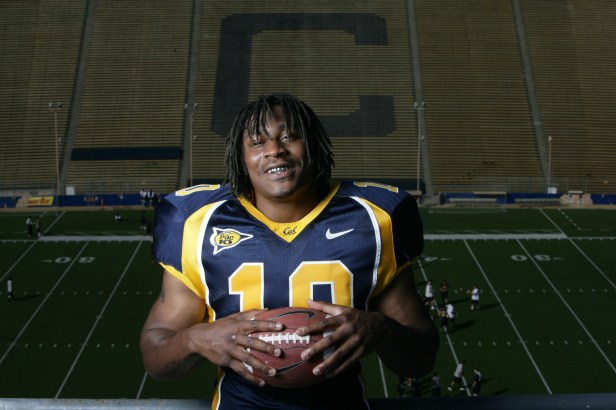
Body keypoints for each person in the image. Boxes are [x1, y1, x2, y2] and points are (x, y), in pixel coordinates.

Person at [140, 93, 439, 409]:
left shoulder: (376, 218)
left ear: (313, 145)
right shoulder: (196, 223)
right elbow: (156, 358)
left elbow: (420, 360)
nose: (274, 150)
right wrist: (196, 339)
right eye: (257, 142)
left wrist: (379, 329)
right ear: (240, 157)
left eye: (289, 137)